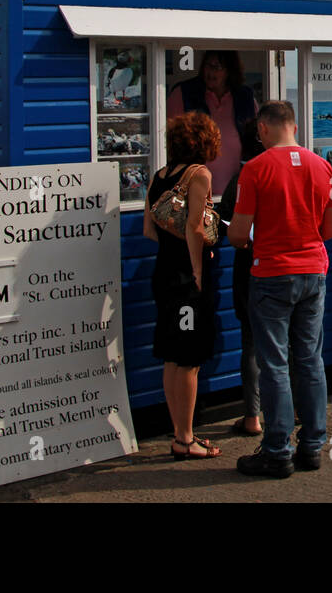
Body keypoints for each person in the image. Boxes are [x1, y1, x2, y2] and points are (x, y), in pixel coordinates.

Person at [229, 101, 332, 478]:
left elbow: (239, 234)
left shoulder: (254, 170)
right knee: (309, 358)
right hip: (313, 272)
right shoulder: (324, 167)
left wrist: (241, 236)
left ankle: (277, 450)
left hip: (271, 274)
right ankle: (312, 445)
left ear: (263, 128)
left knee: (274, 363)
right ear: (293, 126)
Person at [143, 112, 222, 459]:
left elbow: (149, 230)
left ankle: (179, 433)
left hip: (163, 274)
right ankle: (185, 438)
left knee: (171, 356)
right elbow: (194, 227)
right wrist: (197, 272)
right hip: (186, 281)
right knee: (189, 357)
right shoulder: (199, 175)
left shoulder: (158, 176)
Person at [215, 119, 264, 437]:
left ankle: (252, 417)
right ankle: (299, 408)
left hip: (251, 269)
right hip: (296, 268)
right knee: (293, 341)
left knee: (251, 341)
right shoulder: (292, 170)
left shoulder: (241, 179)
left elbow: (230, 230)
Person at [167, 50, 258, 197]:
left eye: (217, 67)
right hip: (193, 193)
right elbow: (169, 143)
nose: (210, 71)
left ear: (230, 70)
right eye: (208, 66)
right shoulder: (183, 93)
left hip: (236, 194)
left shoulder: (245, 98)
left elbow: (255, 140)